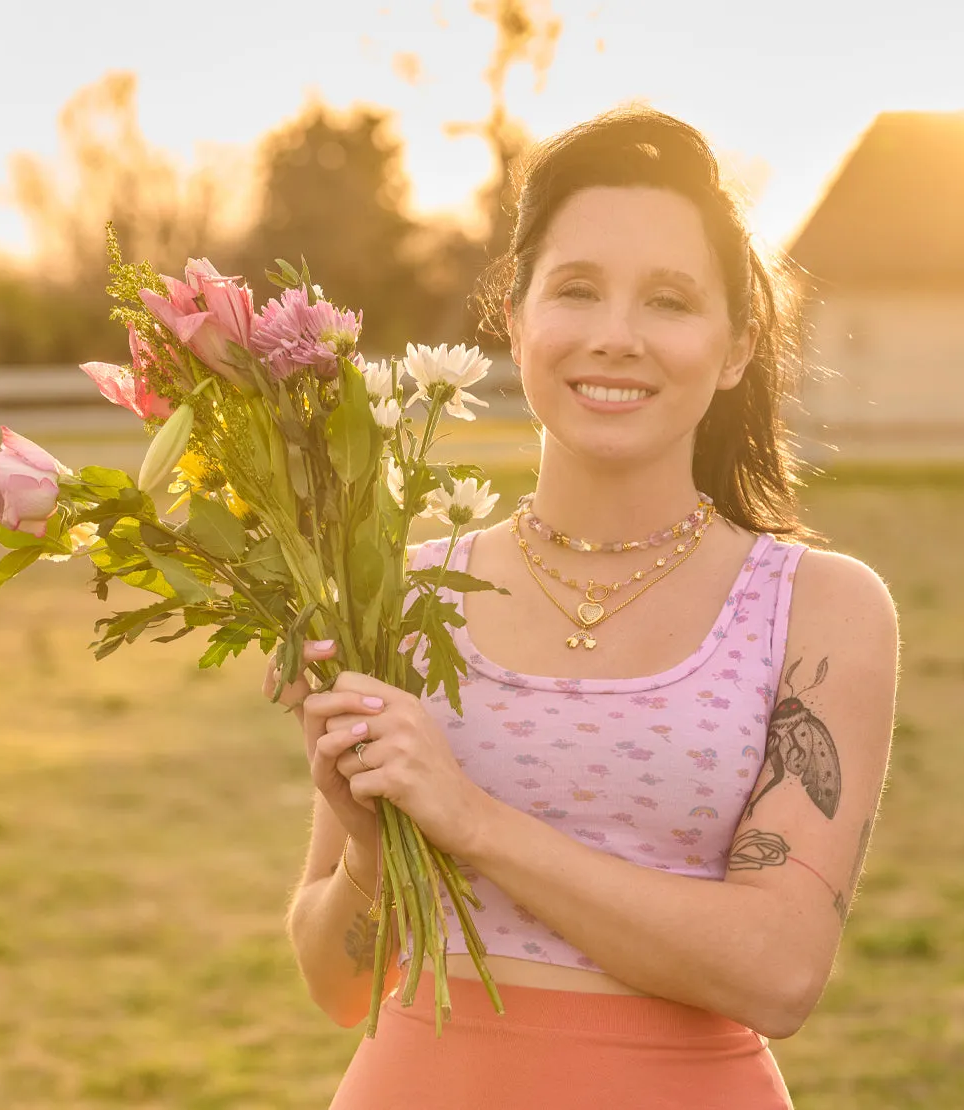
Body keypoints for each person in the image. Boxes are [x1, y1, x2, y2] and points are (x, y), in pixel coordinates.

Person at [262, 105, 899, 1110]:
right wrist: (375, 838)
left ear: (736, 346)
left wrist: (466, 818)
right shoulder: (402, 588)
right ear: (513, 317)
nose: (615, 338)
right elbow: (337, 984)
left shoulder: (817, 609)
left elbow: (778, 971)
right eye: (577, 290)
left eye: (669, 302)